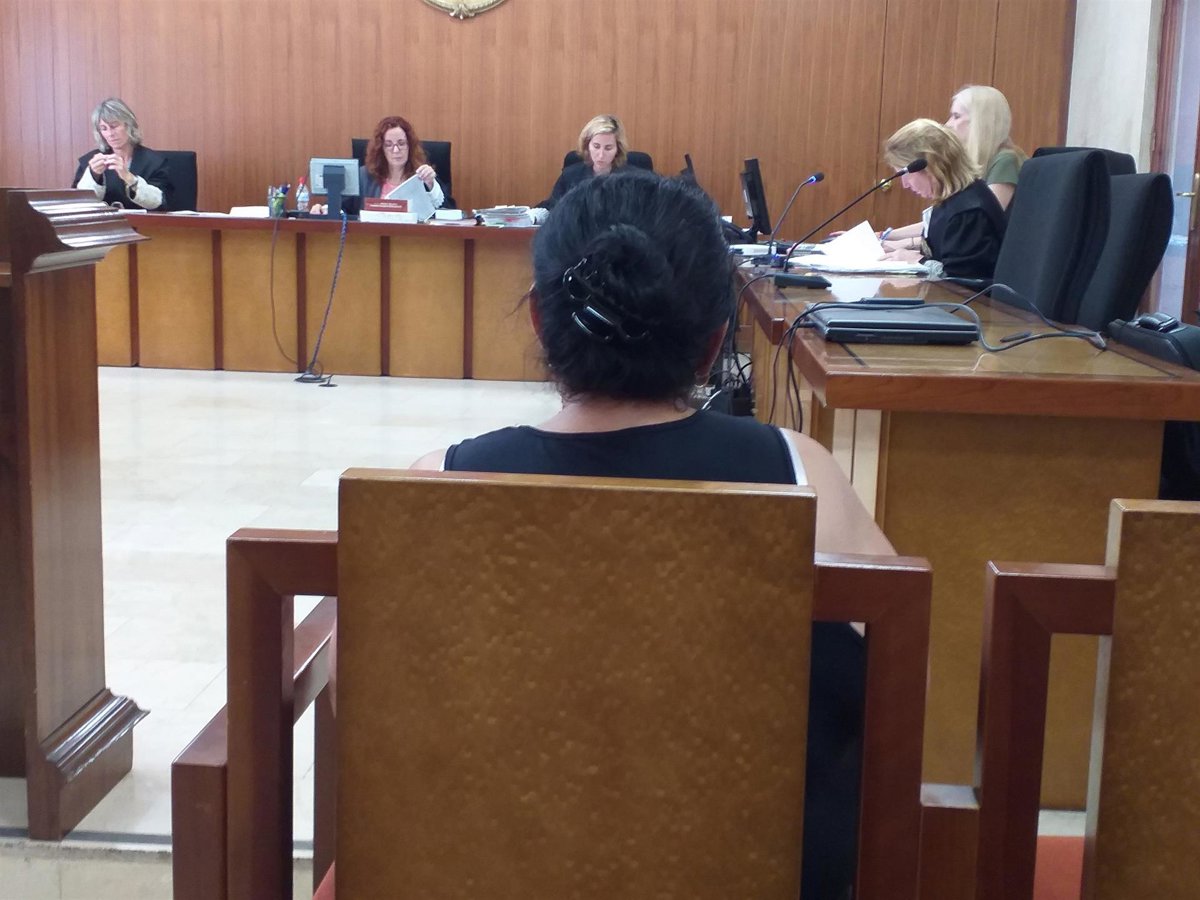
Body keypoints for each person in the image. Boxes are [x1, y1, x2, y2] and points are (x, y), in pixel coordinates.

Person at [410, 170, 893, 900]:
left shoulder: (438, 488)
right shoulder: (803, 479)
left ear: (539, 321)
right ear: (714, 342)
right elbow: (902, 696)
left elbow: (372, 708)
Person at [879, 119, 1007, 280]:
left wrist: (916, 261)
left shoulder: (968, 212)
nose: (905, 185)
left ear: (931, 167)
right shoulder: (951, 200)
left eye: (905, 175)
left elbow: (960, 282)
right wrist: (901, 251)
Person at [309, 115, 445, 216]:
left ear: (410, 146)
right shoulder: (364, 176)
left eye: (401, 143)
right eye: (389, 145)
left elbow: (448, 212)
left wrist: (431, 185)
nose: (396, 150)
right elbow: (342, 208)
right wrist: (324, 209)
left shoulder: (422, 175)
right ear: (381, 149)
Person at [73, 98, 171, 211]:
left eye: (114, 126)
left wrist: (129, 178)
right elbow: (79, 204)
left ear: (129, 125)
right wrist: (93, 176)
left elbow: (160, 202)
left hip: (142, 221)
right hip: (103, 221)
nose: (110, 134)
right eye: (104, 129)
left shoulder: (154, 162)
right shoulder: (89, 161)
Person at [945, 84, 1027, 210]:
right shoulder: (970, 160)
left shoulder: (1006, 161)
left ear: (980, 121)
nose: (947, 124)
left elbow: (987, 217)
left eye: (956, 116)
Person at [534, 114, 630, 211]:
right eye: (596, 146)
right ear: (587, 145)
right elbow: (553, 207)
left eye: (608, 148)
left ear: (618, 149)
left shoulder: (631, 179)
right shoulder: (570, 176)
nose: (601, 155)